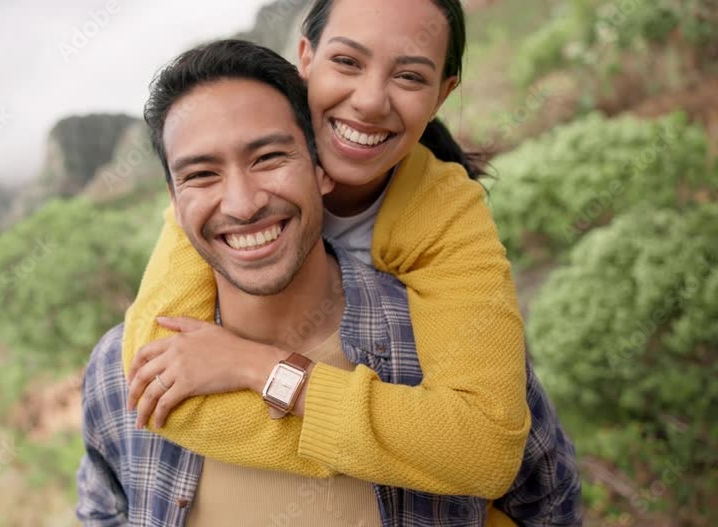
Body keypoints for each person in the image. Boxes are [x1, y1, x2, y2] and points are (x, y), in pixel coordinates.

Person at [77, 39, 581, 526]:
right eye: (201, 175)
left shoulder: (443, 349)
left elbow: (547, 503)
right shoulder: (117, 373)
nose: (242, 203)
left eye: (269, 158)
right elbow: (102, 511)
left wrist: (268, 372)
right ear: (174, 199)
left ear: (323, 167)